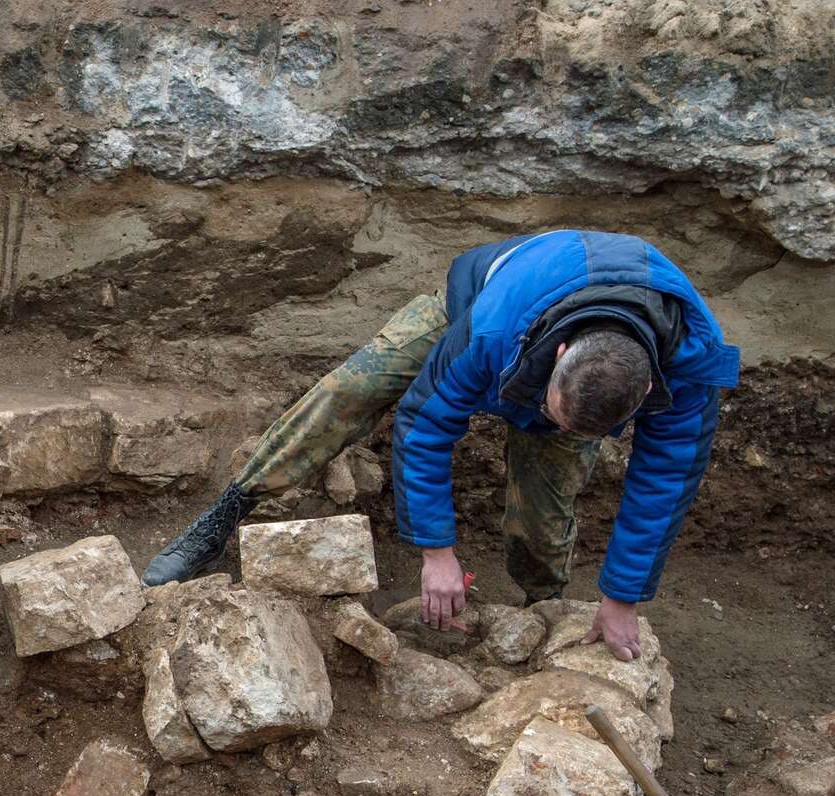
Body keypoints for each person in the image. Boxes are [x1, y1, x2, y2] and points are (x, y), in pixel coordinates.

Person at [139, 230, 739, 661]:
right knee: (350, 388)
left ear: (649, 389)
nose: (556, 426)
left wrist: (622, 597)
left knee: (548, 493)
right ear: (558, 359)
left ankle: (543, 612)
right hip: (479, 303)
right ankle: (222, 517)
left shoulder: (691, 366)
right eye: (555, 411)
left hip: (570, 336)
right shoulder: (489, 326)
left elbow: (664, 483)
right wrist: (436, 551)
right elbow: (425, 426)